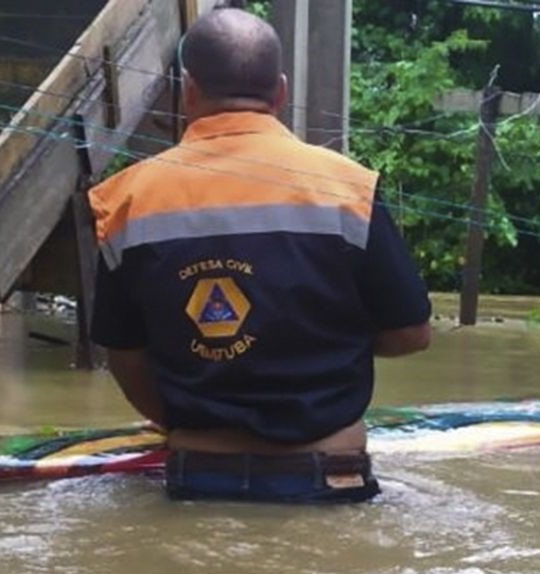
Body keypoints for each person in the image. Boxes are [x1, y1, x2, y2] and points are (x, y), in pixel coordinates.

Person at [87, 8, 431, 504]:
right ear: (282, 91)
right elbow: (412, 334)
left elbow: (125, 357)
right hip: (331, 474)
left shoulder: (125, 200)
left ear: (188, 90)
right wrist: (324, 338)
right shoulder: (349, 189)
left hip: (197, 476)